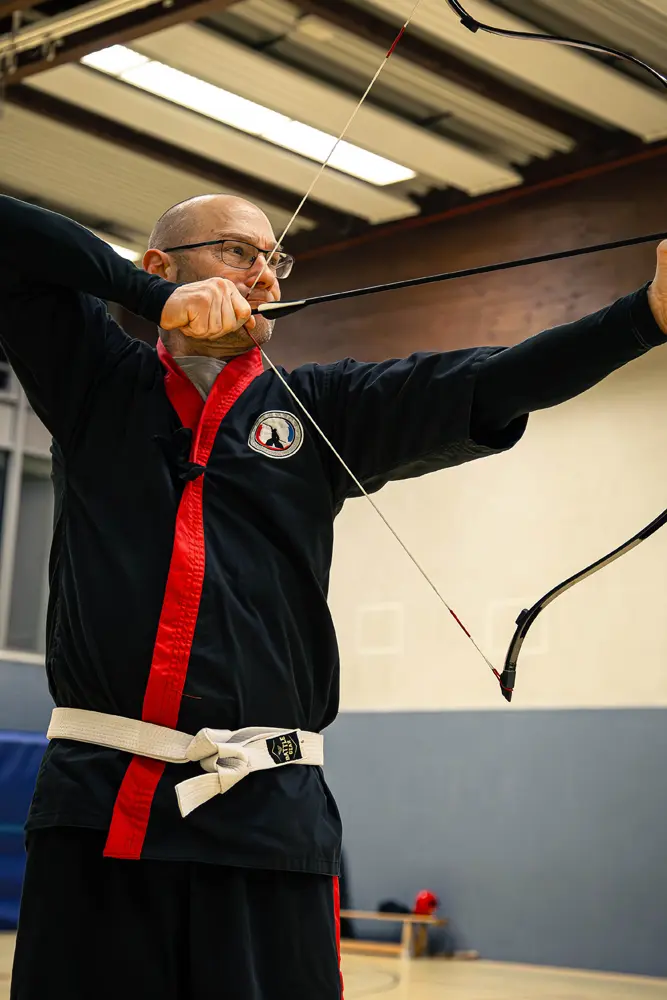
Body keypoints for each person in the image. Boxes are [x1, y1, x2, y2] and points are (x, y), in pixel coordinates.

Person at [1, 191, 666, 1000]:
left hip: (266, 820)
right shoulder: (94, 379)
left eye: (274, 262)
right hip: (100, 813)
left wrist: (647, 316)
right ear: (159, 265)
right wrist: (151, 303)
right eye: (238, 254)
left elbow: (494, 380)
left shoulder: (323, 408)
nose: (264, 279)